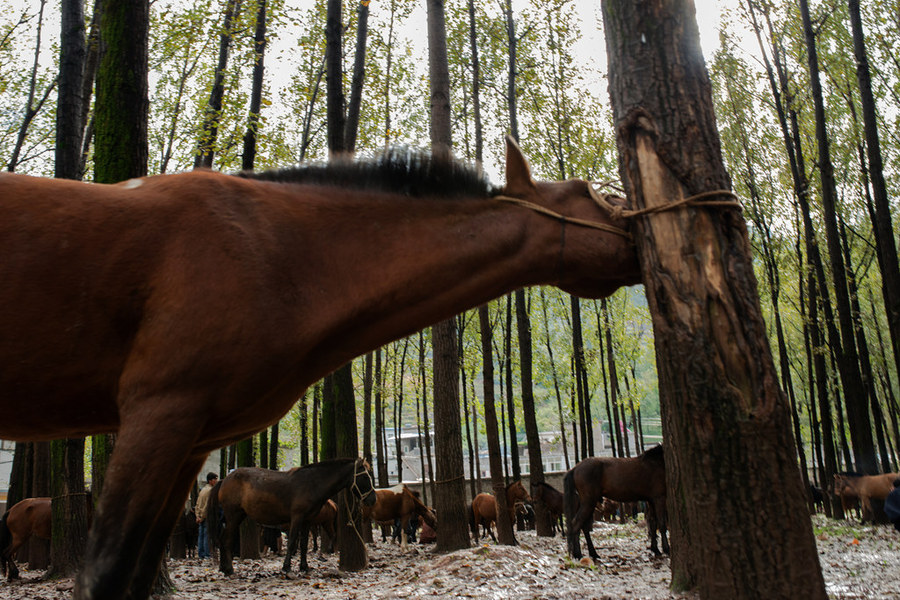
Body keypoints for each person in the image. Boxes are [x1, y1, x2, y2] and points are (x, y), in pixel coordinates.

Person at [195, 472, 219, 559]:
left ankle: (200, 553)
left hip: (200, 516)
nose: (216, 481)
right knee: (206, 535)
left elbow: (198, 504)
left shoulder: (203, 490)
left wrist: (197, 515)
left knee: (201, 535)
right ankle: (207, 554)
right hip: (206, 516)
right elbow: (207, 506)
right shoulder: (210, 491)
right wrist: (202, 517)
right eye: (215, 479)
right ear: (210, 481)